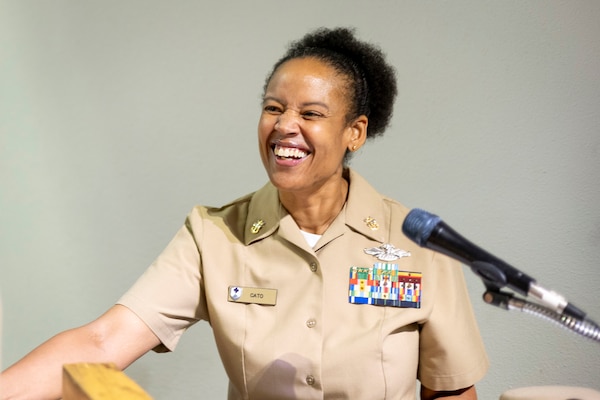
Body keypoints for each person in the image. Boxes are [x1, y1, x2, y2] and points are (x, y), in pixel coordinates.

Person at [0, 27, 488, 399]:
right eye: (274, 108)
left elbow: (450, 391)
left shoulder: (419, 244)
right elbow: (102, 344)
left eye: (311, 114)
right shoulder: (213, 235)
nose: (285, 126)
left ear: (354, 132)